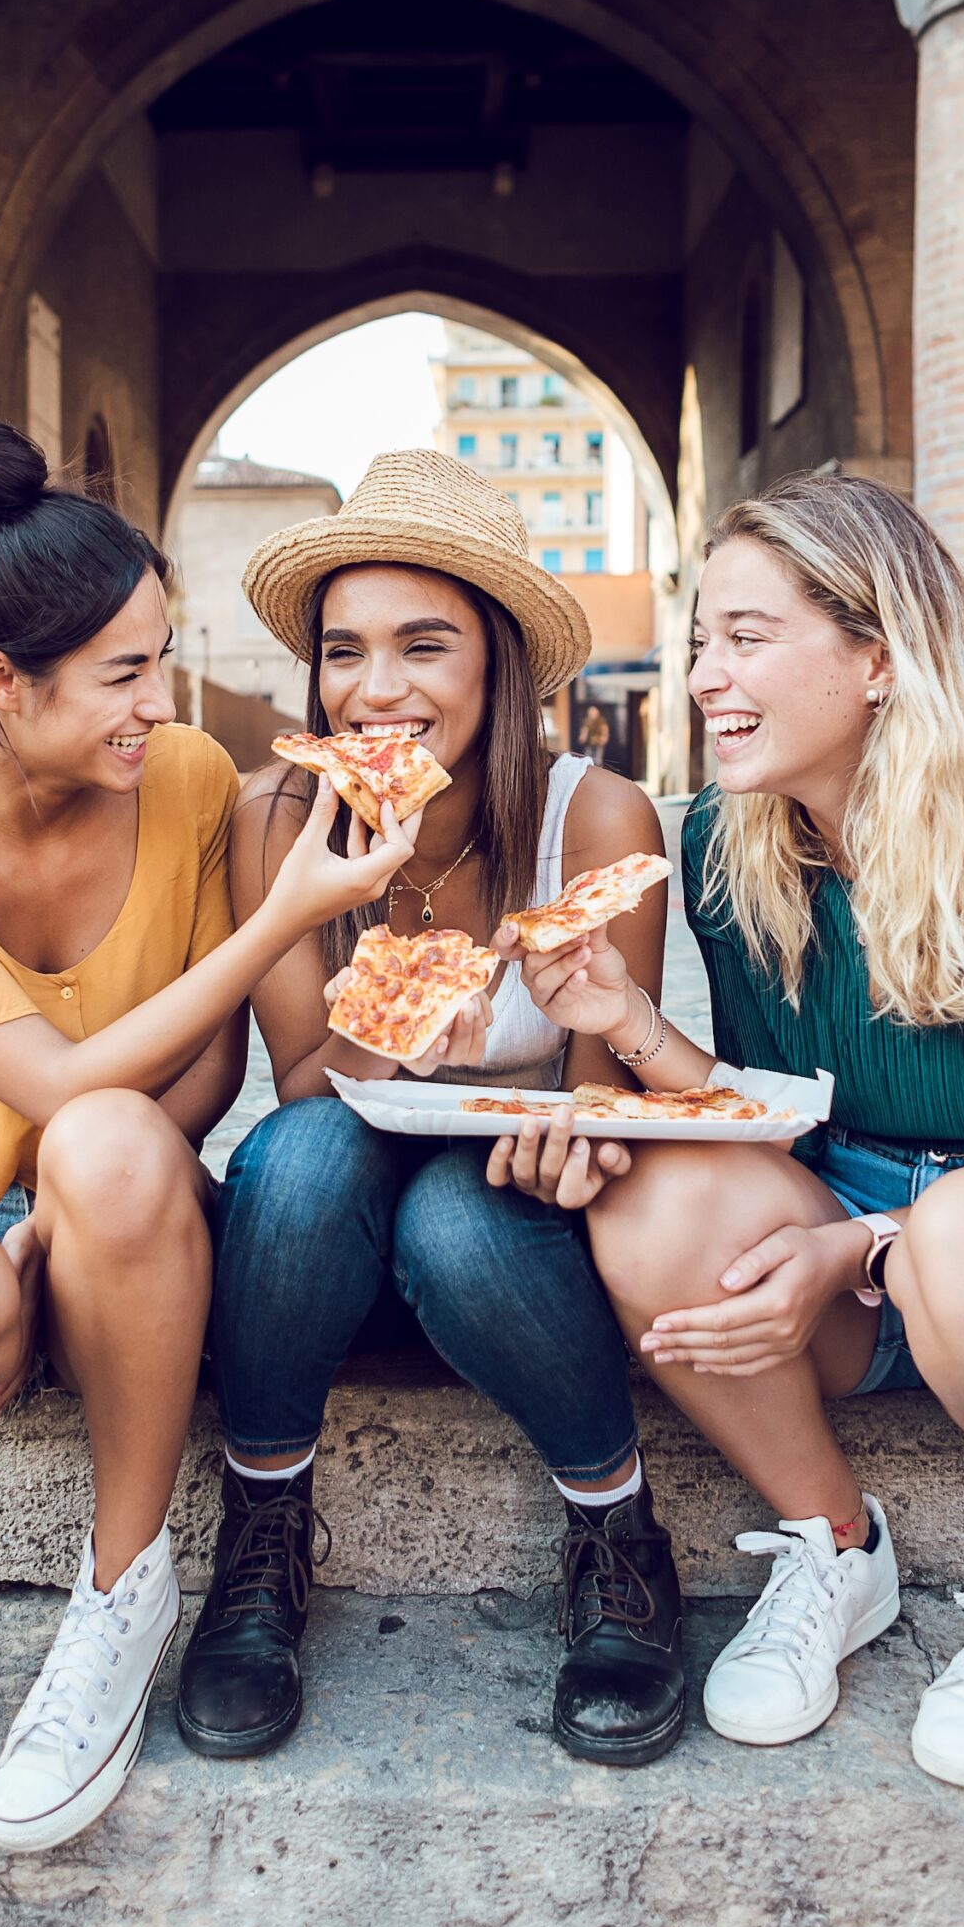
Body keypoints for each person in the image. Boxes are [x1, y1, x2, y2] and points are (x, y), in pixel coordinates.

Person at [499, 470, 964, 1791]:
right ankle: (835, 1544)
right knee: (654, 1193)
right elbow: (776, 1122)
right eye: (703, 637)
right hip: (860, 1243)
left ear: (878, 656)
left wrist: (854, 1253)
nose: (707, 676)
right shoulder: (725, 837)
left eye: (747, 638)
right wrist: (631, 1032)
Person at [0, 417, 413, 1853]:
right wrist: (281, 923)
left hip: (123, 1198)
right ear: (3, 683)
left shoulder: (185, 777)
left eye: (163, 655)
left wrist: (65, 1220)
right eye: (124, 671)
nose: (162, 699)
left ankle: (121, 1593)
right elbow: (52, 1083)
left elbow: (189, 1082)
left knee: (118, 1149)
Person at [175, 449, 687, 1767]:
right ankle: (264, 1532)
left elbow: (599, 1105)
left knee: (458, 1220)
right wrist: (402, 1032)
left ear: (499, 663)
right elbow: (306, 1101)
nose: (377, 689)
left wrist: (559, 1131)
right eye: (345, 652)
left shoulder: (597, 818)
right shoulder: (281, 820)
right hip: (323, 1238)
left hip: (511, 1240)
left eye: (424, 646)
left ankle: (616, 1532)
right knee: (295, 1159)